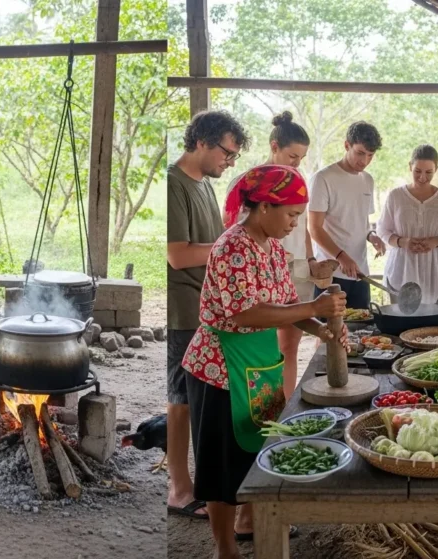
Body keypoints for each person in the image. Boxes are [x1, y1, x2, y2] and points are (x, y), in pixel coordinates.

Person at [184, 165, 347, 559]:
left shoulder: (272, 248)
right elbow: (244, 314)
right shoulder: (233, 247)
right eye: (291, 214)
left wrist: (322, 328)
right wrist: (314, 306)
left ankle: (250, 521)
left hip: (258, 363)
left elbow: (288, 307)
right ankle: (224, 549)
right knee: (222, 466)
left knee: (256, 449)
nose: (295, 223)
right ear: (261, 207)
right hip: (220, 368)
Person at [166, 110, 250, 521]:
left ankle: (196, 484)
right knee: (181, 401)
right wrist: (230, 247)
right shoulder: (173, 184)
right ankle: (179, 490)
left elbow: (214, 240)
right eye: (227, 152)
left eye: (233, 157)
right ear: (201, 140)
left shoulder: (204, 186)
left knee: (195, 401)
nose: (228, 162)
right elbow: (179, 254)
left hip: (206, 306)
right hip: (183, 306)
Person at [221, 112, 337, 399]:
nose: (297, 163)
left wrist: (309, 261)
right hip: (260, 271)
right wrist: (268, 254)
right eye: (292, 155)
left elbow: (306, 231)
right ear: (274, 146)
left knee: (289, 345)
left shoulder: (297, 182)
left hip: (292, 268)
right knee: (264, 345)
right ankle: (265, 405)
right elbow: (232, 224)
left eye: (301, 158)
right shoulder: (248, 185)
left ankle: (283, 406)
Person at [308, 121, 387, 311]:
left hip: (360, 273)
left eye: (370, 155)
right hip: (332, 273)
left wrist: (371, 236)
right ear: (346, 145)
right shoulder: (323, 178)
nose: (365, 161)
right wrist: (341, 257)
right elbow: (315, 228)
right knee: (329, 334)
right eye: (360, 153)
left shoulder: (367, 180)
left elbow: (360, 222)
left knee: (362, 334)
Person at [375, 145, 438, 304]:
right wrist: (403, 242)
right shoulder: (396, 196)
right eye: (417, 171)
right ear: (410, 166)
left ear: (436, 169)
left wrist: (437, 241)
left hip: (434, 271)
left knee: (435, 325)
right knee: (401, 323)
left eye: (429, 172)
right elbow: (382, 229)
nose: (423, 177)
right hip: (402, 269)